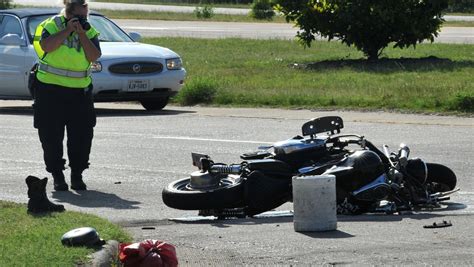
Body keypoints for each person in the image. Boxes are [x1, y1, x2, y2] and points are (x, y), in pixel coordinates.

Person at [32, 0, 101, 191]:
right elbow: (47, 46)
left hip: (80, 91)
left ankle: (77, 175)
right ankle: (57, 175)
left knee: (82, 136)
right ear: (68, 14)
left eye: (85, 17)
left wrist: (82, 34)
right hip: (50, 90)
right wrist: (67, 31)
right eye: (78, 17)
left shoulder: (89, 31)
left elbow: (94, 56)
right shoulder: (51, 25)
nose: (82, 21)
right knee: (51, 135)